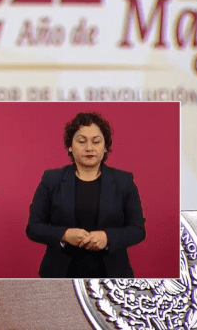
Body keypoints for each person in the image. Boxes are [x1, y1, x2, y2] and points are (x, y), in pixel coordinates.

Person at [25, 112, 146, 278]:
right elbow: (33, 227)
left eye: (96, 141)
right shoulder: (51, 180)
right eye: (81, 141)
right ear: (70, 145)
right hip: (60, 275)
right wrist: (64, 235)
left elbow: (138, 229)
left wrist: (108, 238)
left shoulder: (124, 181)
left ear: (105, 146)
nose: (89, 148)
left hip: (112, 276)